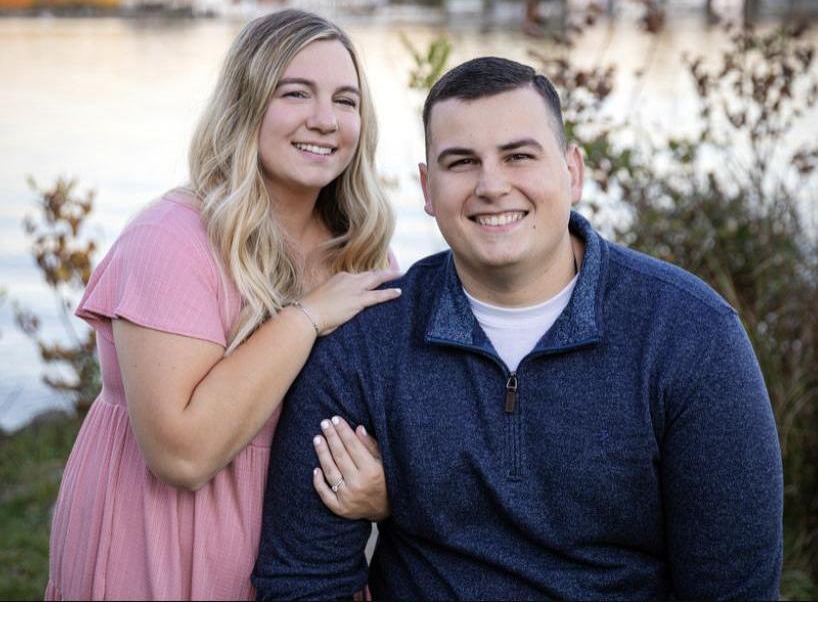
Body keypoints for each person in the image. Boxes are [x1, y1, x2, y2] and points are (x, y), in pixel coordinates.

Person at [252, 56, 783, 601]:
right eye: (462, 162)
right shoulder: (365, 345)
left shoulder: (690, 335)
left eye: (519, 156)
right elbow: (301, 584)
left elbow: (733, 598)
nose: (492, 185)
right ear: (428, 189)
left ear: (572, 172)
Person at [46, 9, 399, 601]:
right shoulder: (172, 240)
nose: (325, 119)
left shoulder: (363, 255)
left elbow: (399, 428)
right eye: (295, 93)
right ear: (245, 103)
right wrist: (306, 318)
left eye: (346, 100)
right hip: (165, 545)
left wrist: (387, 491)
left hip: (312, 565)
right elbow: (181, 455)